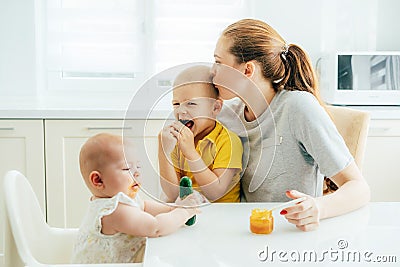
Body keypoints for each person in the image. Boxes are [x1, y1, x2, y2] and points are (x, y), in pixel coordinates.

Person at [212, 18, 370, 231]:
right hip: (249, 232)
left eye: (218, 63)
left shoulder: (297, 107)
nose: (213, 72)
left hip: (292, 235)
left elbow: (359, 188)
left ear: (247, 70)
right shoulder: (231, 114)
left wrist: (318, 208)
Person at [71, 133, 199, 264]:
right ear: (98, 180)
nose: (137, 173)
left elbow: (144, 206)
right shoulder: (113, 211)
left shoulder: (121, 200)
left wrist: (172, 208)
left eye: (138, 166)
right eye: (127, 168)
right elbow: (155, 228)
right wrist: (183, 212)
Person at [158, 65, 243, 203]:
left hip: (222, 213)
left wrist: (190, 152)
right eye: (176, 104)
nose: (181, 111)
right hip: (189, 211)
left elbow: (215, 193)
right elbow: (173, 194)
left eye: (191, 104)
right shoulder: (177, 141)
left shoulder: (229, 141)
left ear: (215, 107)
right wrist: (163, 151)